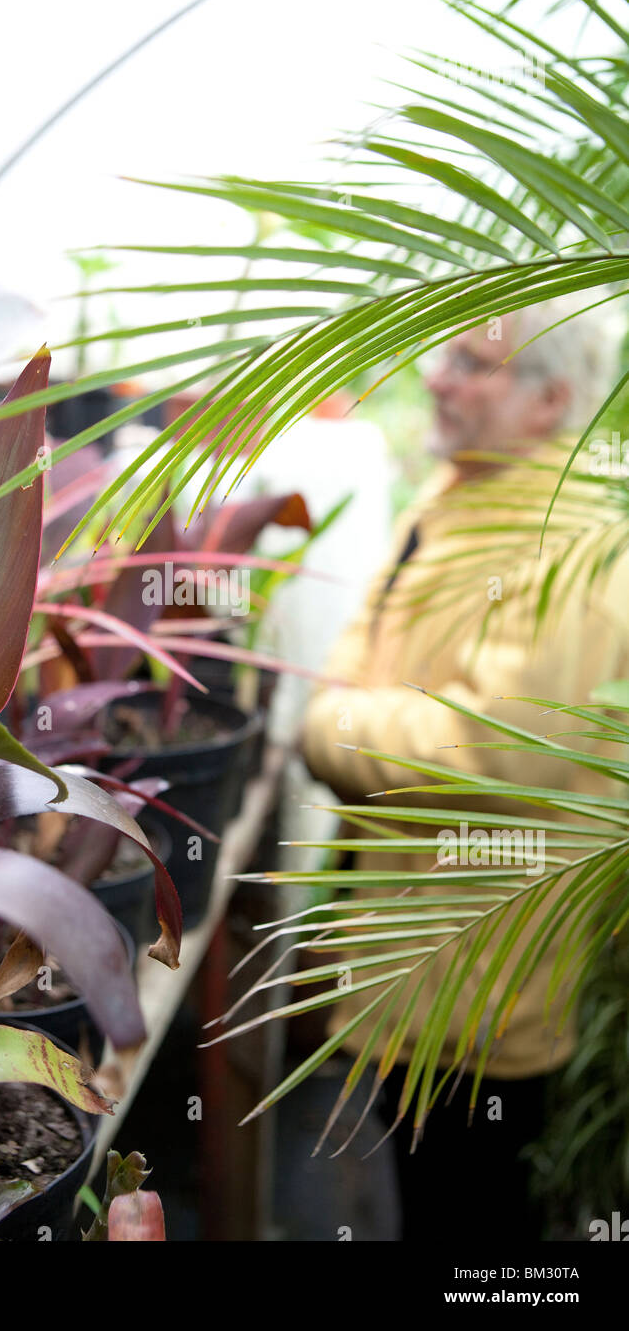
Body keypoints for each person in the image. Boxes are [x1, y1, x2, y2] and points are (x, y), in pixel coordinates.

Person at [301, 297, 627, 1242]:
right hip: (416, 961)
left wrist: (329, 728)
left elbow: (490, 751)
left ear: (550, 400)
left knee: (474, 1225)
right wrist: (351, 713)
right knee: (427, 1200)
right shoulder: (457, 499)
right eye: (444, 357)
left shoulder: (568, 548)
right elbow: (360, 647)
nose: (436, 379)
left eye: (471, 364)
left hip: (479, 990)